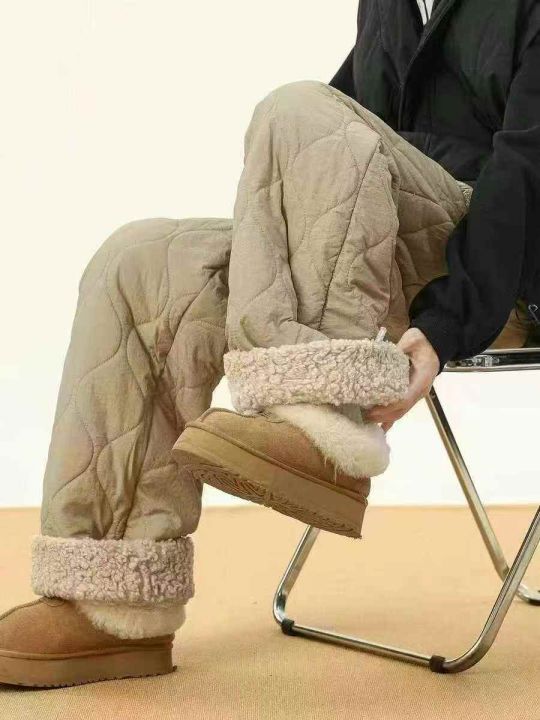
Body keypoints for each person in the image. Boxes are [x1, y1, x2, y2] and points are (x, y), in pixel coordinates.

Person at [1, 0, 540, 688]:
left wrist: (445, 324)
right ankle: (111, 602)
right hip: (395, 256)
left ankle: (324, 428)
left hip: (509, 275)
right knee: (143, 264)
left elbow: (527, 169)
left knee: (298, 111)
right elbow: (342, 141)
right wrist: (262, 258)